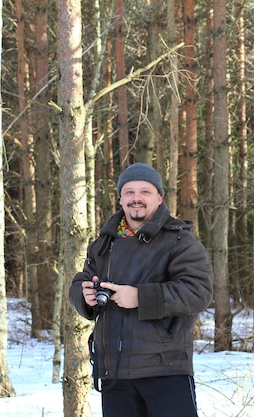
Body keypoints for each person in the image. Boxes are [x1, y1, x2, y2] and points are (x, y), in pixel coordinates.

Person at [69, 162, 214, 417]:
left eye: (145, 192)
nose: (137, 198)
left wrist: (140, 297)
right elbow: (81, 280)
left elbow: (198, 291)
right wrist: (85, 296)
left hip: (165, 369)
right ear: (121, 199)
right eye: (129, 192)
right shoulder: (104, 244)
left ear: (159, 197)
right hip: (114, 372)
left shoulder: (179, 241)